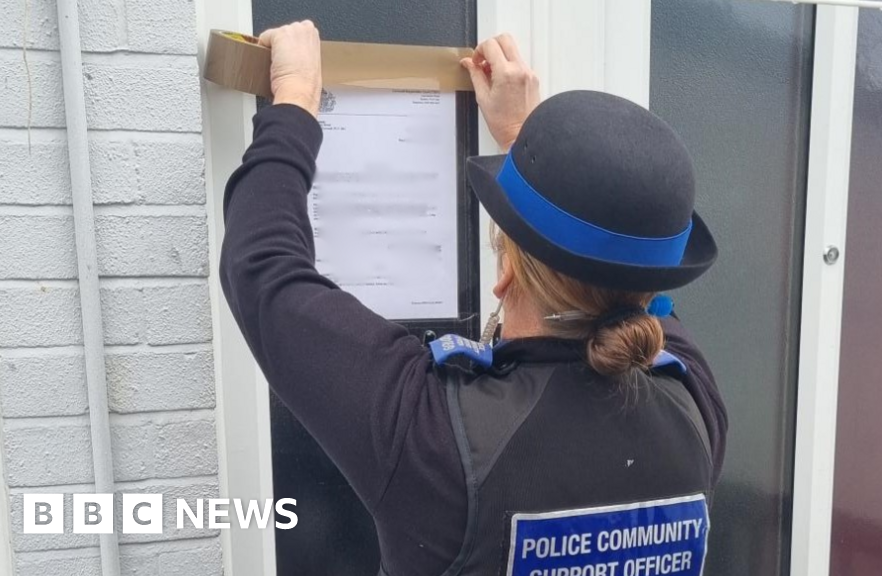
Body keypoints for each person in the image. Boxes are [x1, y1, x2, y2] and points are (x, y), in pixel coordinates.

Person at [221, 20, 727, 576]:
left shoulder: (434, 435)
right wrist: (530, 146)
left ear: (505, 274)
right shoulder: (694, 405)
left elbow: (264, 268)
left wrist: (294, 98)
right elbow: (632, 273)